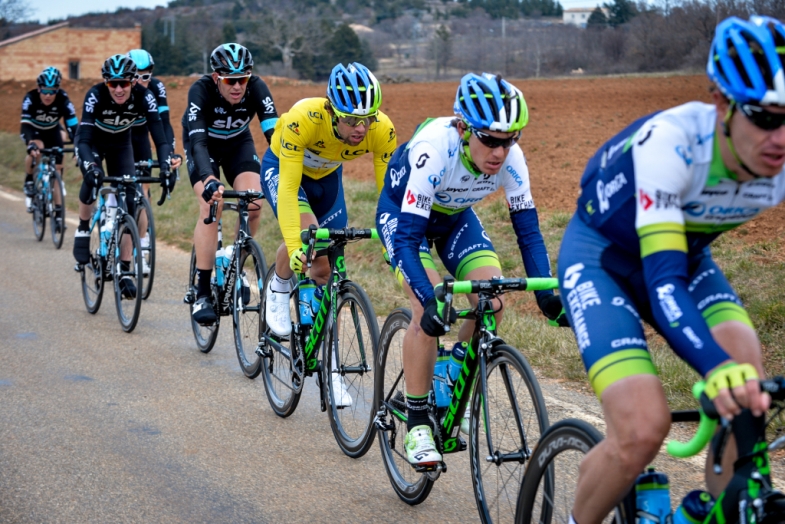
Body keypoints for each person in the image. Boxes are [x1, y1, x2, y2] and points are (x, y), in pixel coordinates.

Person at [557, 15, 784, 524]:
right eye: (767, 116)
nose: (781, 137)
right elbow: (663, 281)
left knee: (751, 387)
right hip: (604, 259)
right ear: (723, 104)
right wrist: (714, 367)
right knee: (642, 428)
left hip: (687, 257)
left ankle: (728, 507)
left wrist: (728, 369)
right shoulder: (673, 142)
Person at [375, 72, 565, 467]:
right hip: (404, 219)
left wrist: (547, 298)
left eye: (510, 139)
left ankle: (450, 374)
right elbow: (409, 239)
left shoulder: (512, 159)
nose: (500, 152)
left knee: (490, 304)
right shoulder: (434, 148)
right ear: (462, 128)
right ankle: (417, 424)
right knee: (427, 310)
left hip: (456, 219)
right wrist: (430, 300)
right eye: (490, 140)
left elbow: (528, 233)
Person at [261, 62, 396, 405]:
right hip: (285, 171)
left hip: (327, 183)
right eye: (351, 119)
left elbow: (389, 197)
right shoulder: (303, 118)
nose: (360, 127)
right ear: (332, 111)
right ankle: (278, 284)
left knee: (325, 270)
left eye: (367, 118)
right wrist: (295, 246)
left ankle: (330, 370)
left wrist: (393, 242)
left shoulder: (382, 130)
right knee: (311, 239)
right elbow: (289, 190)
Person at [184, 43, 278, 325]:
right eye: (230, 80)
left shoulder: (257, 88)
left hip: (238, 143)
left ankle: (234, 260)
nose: (238, 86)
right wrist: (209, 178)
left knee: (255, 202)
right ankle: (201, 290)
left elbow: (275, 134)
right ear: (216, 78)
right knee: (213, 204)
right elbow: (197, 142)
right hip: (204, 148)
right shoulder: (200, 91)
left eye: (243, 79)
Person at [73, 54, 174, 299]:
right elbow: (84, 140)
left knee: (131, 200)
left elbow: (159, 137)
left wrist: (166, 166)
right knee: (92, 178)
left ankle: (125, 269)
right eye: (113, 84)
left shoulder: (145, 96)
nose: (119, 89)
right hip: (93, 142)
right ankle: (84, 229)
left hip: (121, 145)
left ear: (133, 82)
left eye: (124, 83)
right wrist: (91, 167)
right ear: (106, 82)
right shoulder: (95, 95)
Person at [127, 49, 181, 275]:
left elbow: (164, 125)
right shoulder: (119, 88)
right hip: (117, 136)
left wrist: (168, 156)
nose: (140, 81)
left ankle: (140, 248)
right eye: (135, 76)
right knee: (119, 182)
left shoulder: (157, 88)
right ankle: (111, 211)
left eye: (145, 76)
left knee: (142, 190)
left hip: (140, 136)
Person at [20, 67, 78, 217]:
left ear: (57, 90)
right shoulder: (30, 98)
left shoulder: (63, 99)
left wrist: (78, 144)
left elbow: (72, 124)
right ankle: (29, 180)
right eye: (44, 91)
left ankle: (59, 211)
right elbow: (25, 126)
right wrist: (30, 142)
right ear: (38, 89)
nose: (48, 95)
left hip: (52, 130)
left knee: (58, 167)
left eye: (52, 91)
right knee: (38, 148)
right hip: (34, 130)